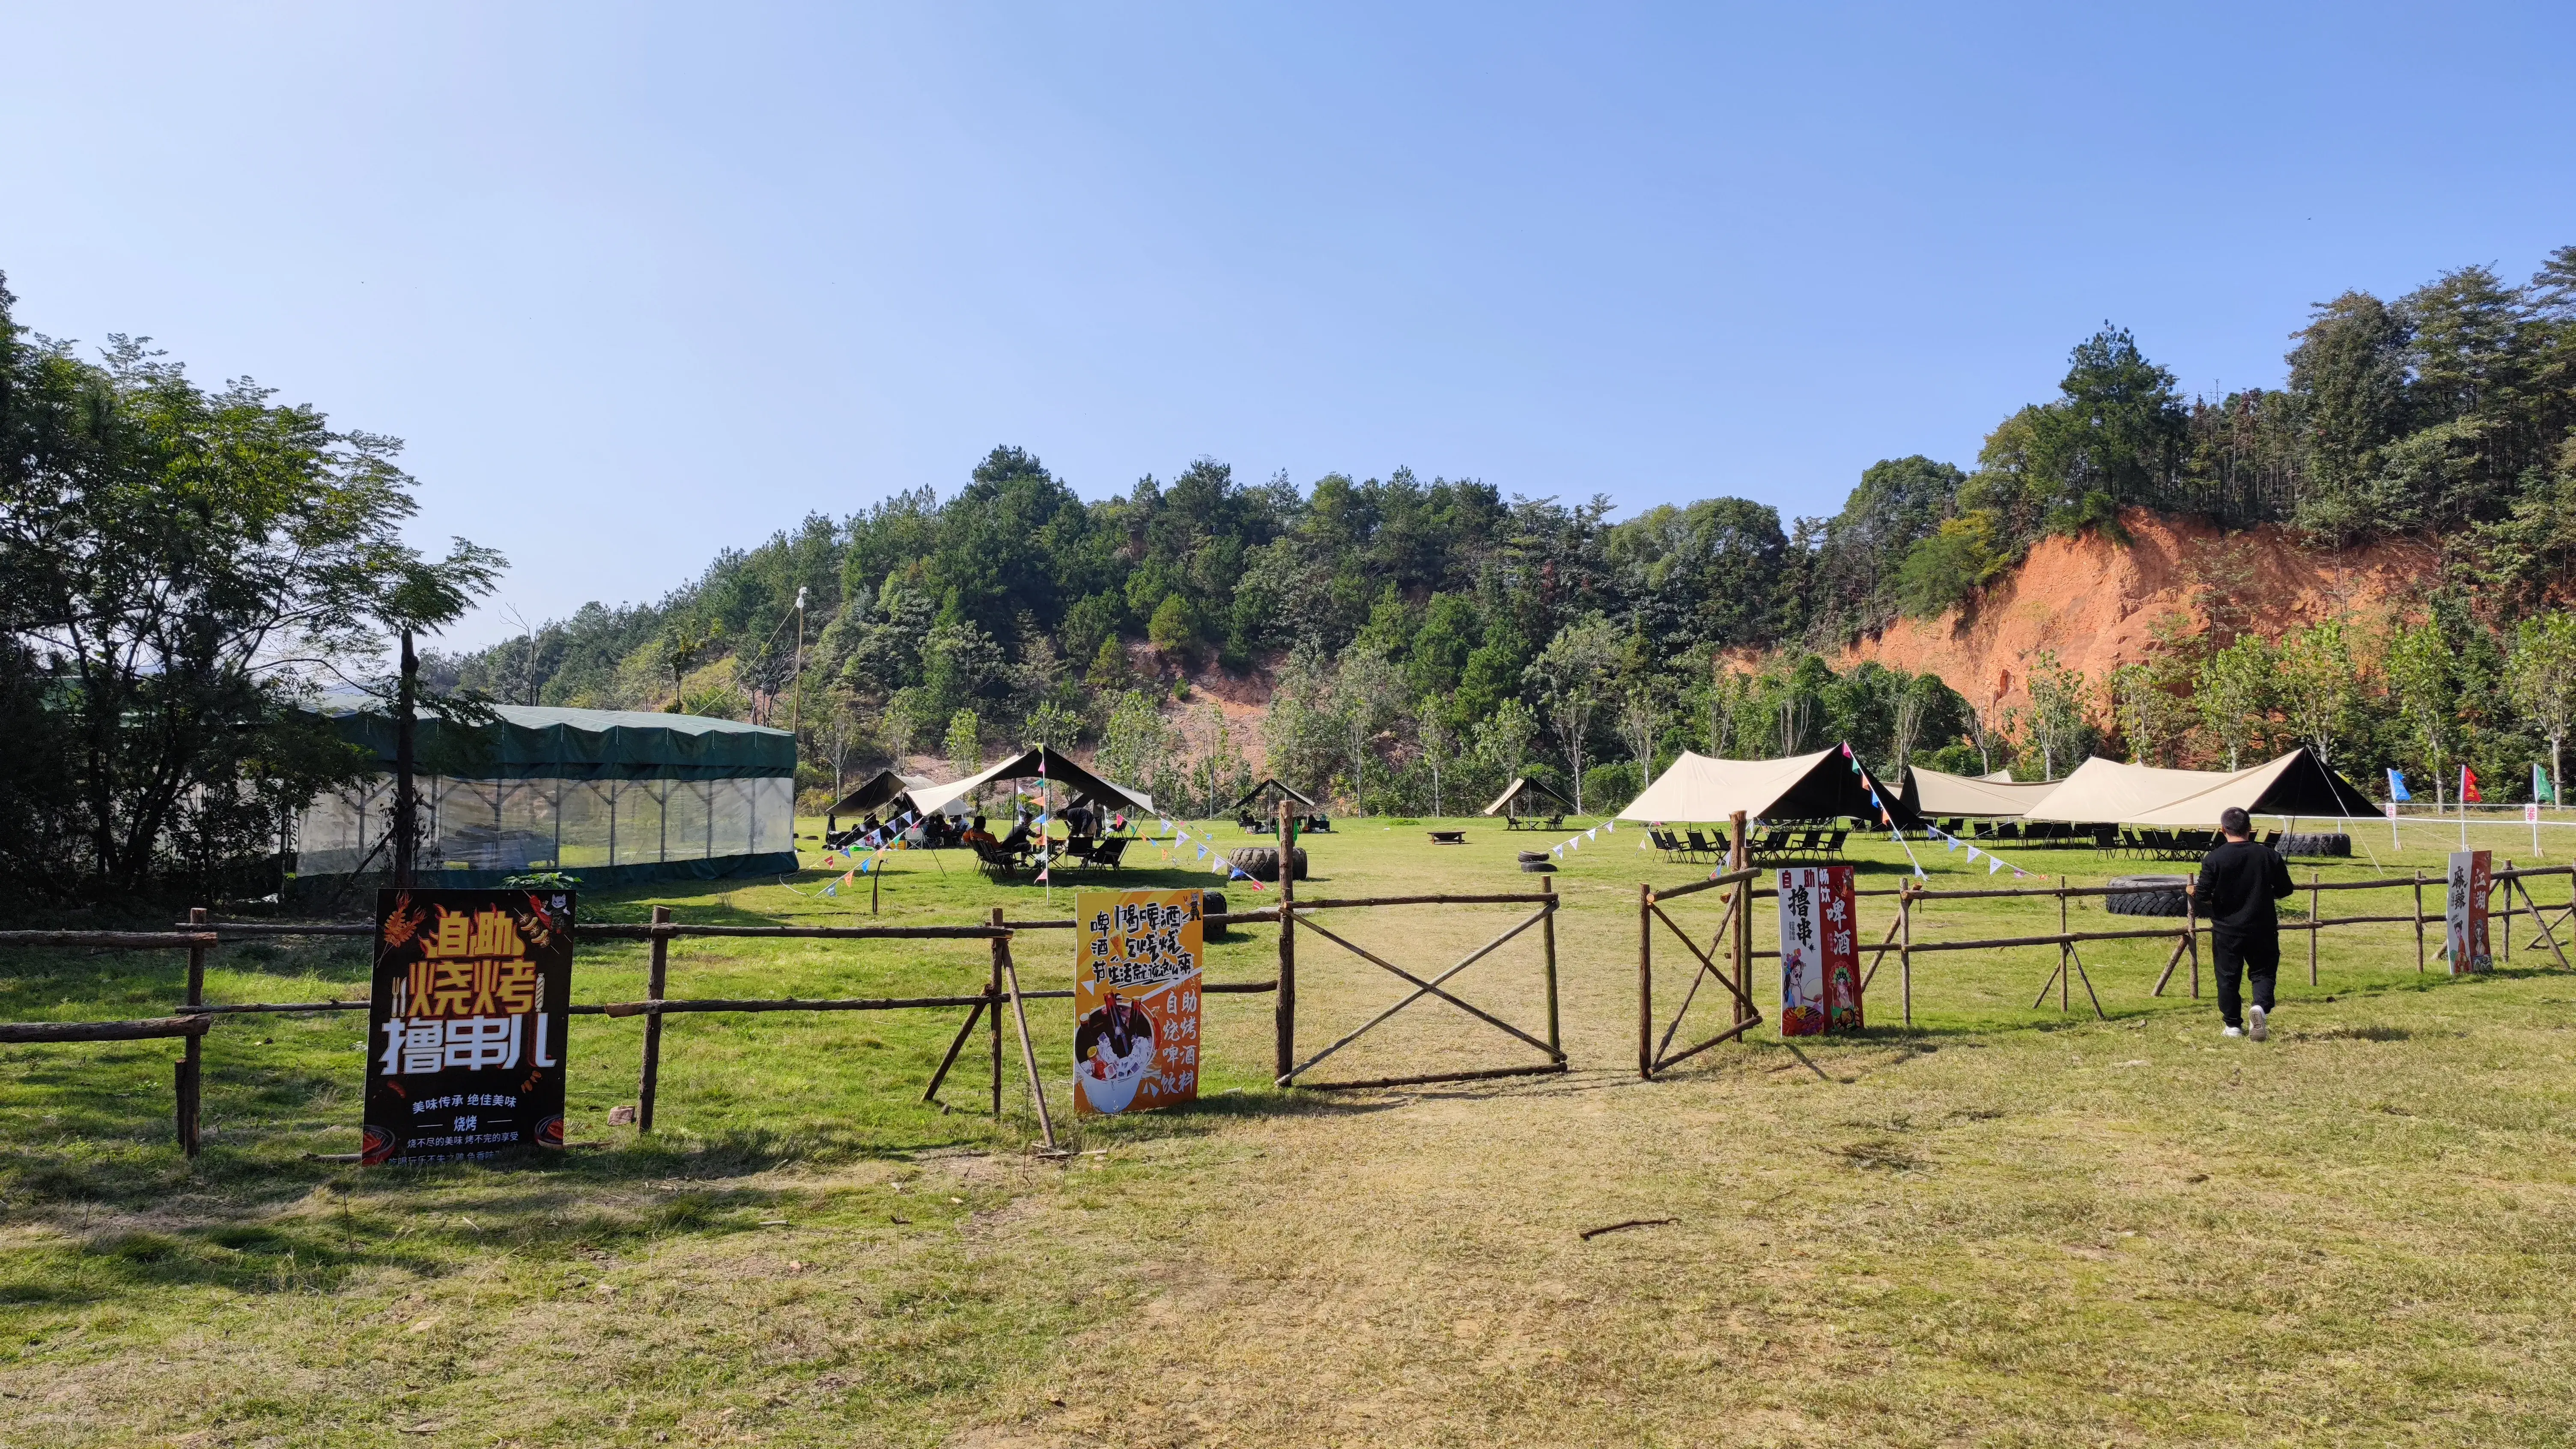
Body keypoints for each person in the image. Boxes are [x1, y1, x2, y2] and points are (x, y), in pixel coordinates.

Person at [2191, 805, 2295, 1040]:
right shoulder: (2270, 855)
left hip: (2227, 929)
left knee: (2228, 977)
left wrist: (2196, 891)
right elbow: (2286, 890)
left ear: (2222, 830)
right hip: (2263, 926)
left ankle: (2233, 1026)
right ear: (2250, 829)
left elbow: (2203, 895)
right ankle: (2260, 1007)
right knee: (2263, 972)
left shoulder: (2214, 858)